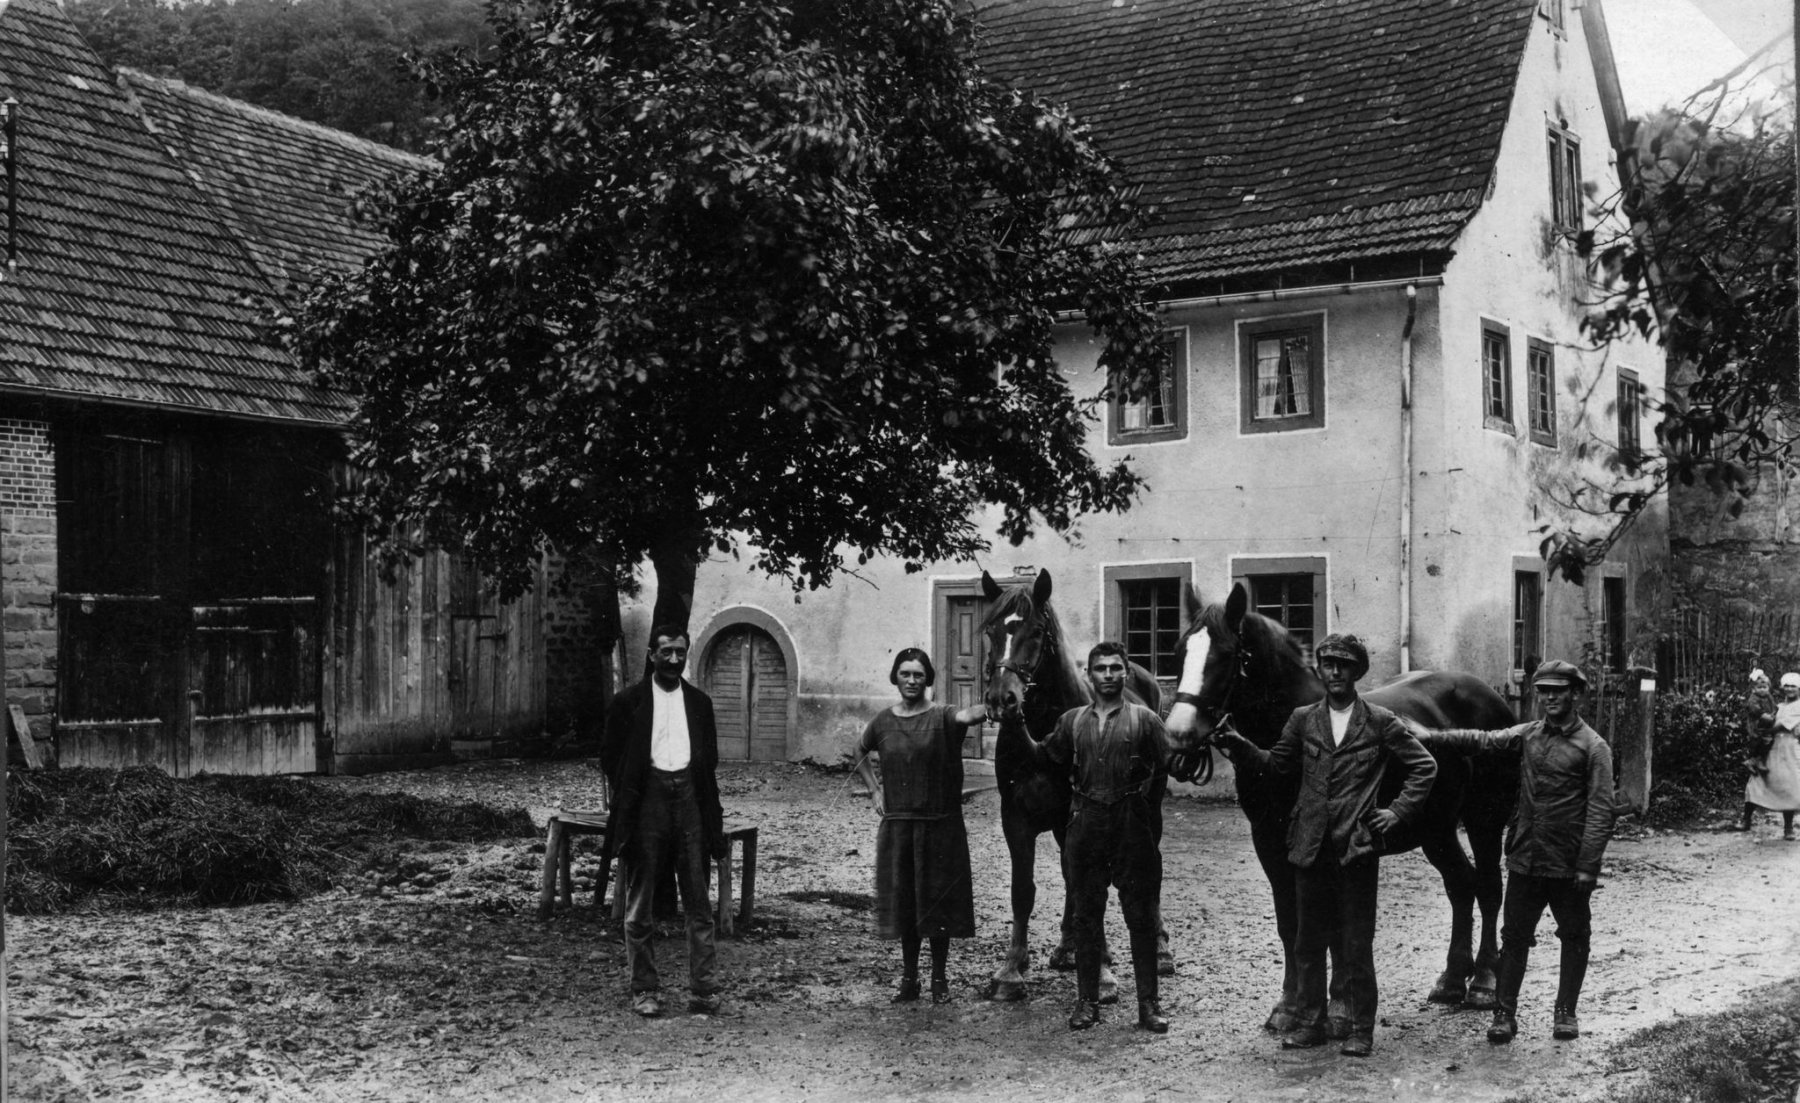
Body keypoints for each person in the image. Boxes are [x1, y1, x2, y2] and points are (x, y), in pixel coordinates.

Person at [1212, 633, 1436, 1058]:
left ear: (1358, 672)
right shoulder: (1302, 719)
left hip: (1355, 847)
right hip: (1309, 846)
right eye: (1328, 664)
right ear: (1319, 669)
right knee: (1307, 940)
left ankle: (1359, 1028)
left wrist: (1396, 813)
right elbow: (1276, 767)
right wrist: (1238, 746)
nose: (1335, 671)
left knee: (1356, 943)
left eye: (1344, 665)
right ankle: (1310, 1022)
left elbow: (1424, 765)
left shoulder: (1380, 720)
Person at [1402, 660, 1615, 1044]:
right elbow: (1483, 740)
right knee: (1514, 938)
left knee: (1574, 935)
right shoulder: (1529, 734)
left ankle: (1565, 1013)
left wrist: (1588, 865)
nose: (1550, 698)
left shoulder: (1594, 748)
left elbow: (1601, 811)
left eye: (1559, 690)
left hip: (1568, 863)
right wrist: (1430, 735)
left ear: (1576, 694)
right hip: (1525, 857)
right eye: (1544, 691)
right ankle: (1504, 1013)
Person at [1037, 641, 1175, 1034]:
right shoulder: (1072, 722)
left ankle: (1148, 1006)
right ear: (1090, 675)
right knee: (1085, 915)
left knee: (1141, 915)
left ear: (1127, 673)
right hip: (1086, 822)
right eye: (1101, 669)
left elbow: (1172, 763)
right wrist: (1011, 723)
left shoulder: (1146, 720)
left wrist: (1193, 747)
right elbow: (1044, 757)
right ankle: (1087, 1002)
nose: (1109, 675)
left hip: (1131, 821)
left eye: (1116, 668)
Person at [599, 625, 726, 1018]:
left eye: (680, 653)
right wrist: (635, 797)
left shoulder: (699, 703)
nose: (674, 660)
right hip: (648, 803)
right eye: (666, 652)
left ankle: (703, 990)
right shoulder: (629, 702)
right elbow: (611, 760)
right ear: (651, 654)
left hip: (689, 800)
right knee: (640, 903)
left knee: (699, 902)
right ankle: (644, 989)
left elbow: (710, 761)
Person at [853, 648, 986, 1003]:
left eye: (918, 675)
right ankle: (909, 979)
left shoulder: (943, 716)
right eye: (905, 674)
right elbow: (860, 751)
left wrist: (997, 697)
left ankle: (939, 980)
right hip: (899, 827)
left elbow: (969, 715)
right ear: (895, 678)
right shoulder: (882, 721)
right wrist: (875, 790)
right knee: (906, 904)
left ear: (928, 679)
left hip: (940, 826)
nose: (912, 681)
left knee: (937, 905)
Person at [1742, 671, 1800, 840]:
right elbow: (1759, 716)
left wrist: (1764, 729)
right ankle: (1745, 819)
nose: (1789, 689)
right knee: (1757, 781)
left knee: (1788, 785)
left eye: (1793, 686)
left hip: (1789, 748)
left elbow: (1781, 725)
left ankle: (1788, 828)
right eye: (1787, 685)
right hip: (1770, 747)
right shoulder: (1779, 706)